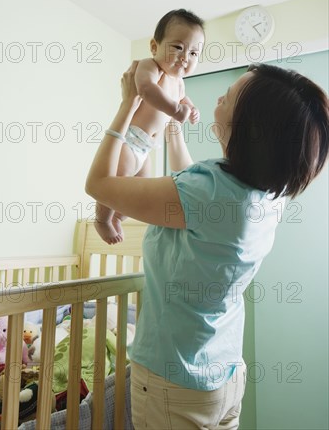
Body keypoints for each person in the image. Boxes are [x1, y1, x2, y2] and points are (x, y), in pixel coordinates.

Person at [85, 61, 329, 429]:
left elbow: (99, 184)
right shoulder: (265, 196)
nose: (219, 96)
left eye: (228, 98)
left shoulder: (208, 193)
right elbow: (192, 188)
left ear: (249, 130)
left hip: (175, 380)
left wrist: (128, 104)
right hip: (224, 372)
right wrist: (172, 132)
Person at [94, 9, 205, 245]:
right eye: (178, 47)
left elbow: (184, 100)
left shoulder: (180, 83)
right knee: (116, 182)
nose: (185, 57)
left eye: (194, 52)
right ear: (155, 46)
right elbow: (145, 89)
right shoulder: (150, 67)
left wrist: (191, 108)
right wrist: (175, 110)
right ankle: (102, 219)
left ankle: (118, 218)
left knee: (138, 191)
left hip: (146, 149)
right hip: (130, 140)